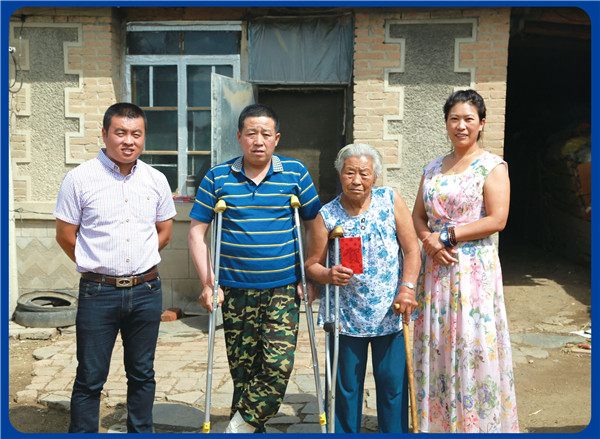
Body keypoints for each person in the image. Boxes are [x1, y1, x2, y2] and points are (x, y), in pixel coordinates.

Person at [188, 103, 322, 433]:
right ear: (239, 137)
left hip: (283, 289)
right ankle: (249, 429)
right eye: (251, 133)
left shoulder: (295, 173)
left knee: (277, 366)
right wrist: (209, 282)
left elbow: (314, 226)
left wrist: (311, 272)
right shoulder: (218, 177)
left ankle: (238, 426)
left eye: (265, 134)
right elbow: (196, 232)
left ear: (277, 138)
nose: (258, 140)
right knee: (244, 374)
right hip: (235, 291)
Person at [54, 103, 176, 433]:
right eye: (120, 132)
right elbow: (65, 235)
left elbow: (164, 232)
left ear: (144, 137)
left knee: (142, 373)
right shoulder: (79, 179)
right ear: (105, 134)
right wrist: (96, 266)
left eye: (136, 134)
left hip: (146, 291)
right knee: (90, 376)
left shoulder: (156, 179)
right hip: (98, 293)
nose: (128, 141)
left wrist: (138, 260)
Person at [411, 89, 519, 433]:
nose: (461, 125)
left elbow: (498, 219)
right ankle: (439, 424)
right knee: (438, 343)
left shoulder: (492, 166)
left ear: (481, 123)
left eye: (469, 119)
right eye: (454, 118)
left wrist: (447, 236)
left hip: (473, 271)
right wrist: (429, 241)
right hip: (436, 269)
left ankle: (476, 425)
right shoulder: (432, 168)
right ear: (446, 123)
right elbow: (418, 216)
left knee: (472, 343)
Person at [304, 143, 421, 433]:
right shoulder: (327, 215)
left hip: (391, 312)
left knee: (393, 387)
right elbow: (311, 265)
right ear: (340, 175)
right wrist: (328, 274)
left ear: (375, 177)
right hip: (346, 317)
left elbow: (412, 250)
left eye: (364, 173)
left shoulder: (390, 199)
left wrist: (407, 289)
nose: (356, 180)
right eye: (350, 173)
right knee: (345, 389)